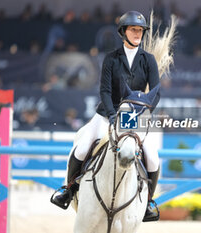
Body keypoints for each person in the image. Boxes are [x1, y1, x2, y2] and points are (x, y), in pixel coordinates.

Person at [51, 11, 161, 222]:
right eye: (133, 30)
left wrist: (141, 114)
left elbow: (155, 93)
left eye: (140, 30)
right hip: (107, 113)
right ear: (123, 32)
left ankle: (148, 202)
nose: (138, 33)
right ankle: (69, 191)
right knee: (83, 147)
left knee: (153, 158)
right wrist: (112, 116)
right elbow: (105, 91)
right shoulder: (111, 59)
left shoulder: (149, 60)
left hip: (135, 116)